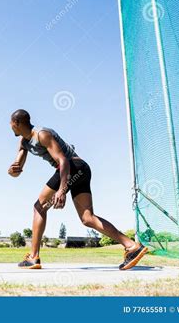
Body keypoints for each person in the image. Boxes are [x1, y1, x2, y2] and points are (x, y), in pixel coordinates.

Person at [8, 109, 147, 270]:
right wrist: (12, 171)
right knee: (88, 218)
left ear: (17, 123)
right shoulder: (24, 142)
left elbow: (63, 160)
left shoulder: (42, 134)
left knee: (39, 207)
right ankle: (131, 246)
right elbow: (17, 168)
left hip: (72, 166)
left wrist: (61, 189)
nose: (10, 127)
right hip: (80, 169)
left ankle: (33, 257)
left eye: (11, 124)